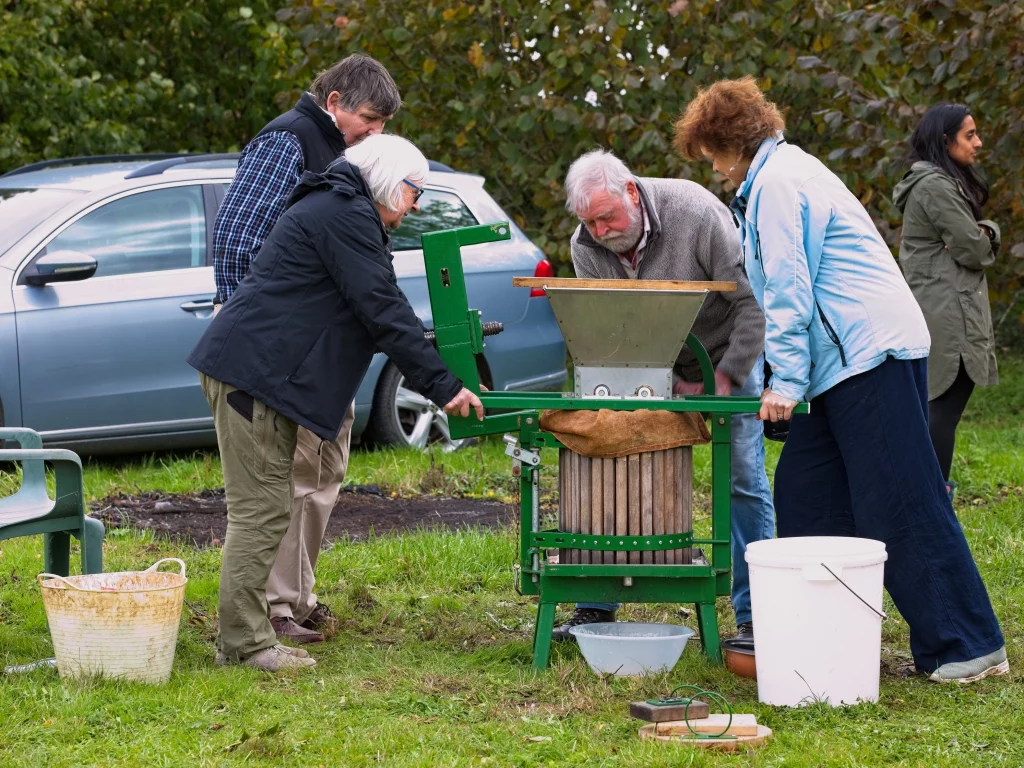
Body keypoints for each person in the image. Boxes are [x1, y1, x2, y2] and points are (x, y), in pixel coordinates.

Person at [673, 76, 1007, 683]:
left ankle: (967, 645)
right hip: (838, 361)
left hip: (867, 353)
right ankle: (820, 639)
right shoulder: (779, 175)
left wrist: (784, 385)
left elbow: (792, 294)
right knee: (807, 498)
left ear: (732, 141)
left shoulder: (777, 185)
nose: (712, 168)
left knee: (898, 501)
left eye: (711, 153)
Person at [189, 134, 484, 671]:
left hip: (261, 375)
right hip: (252, 377)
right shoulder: (343, 213)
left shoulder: (339, 207)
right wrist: (443, 386)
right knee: (260, 512)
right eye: (415, 192)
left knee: (268, 508)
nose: (416, 205)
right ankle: (244, 643)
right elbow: (381, 306)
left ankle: (246, 634)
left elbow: (373, 305)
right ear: (392, 184)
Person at [212, 54, 400, 645]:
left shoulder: (346, 155)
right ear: (335, 100)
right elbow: (239, 242)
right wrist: (279, 333)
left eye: (382, 126)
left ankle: (296, 593)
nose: (375, 134)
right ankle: (269, 607)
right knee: (286, 476)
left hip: (319, 350)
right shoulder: (287, 140)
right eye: (368, 120)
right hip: (276, 351)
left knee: (324, 468)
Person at [552, 149, 769, 649]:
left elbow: (752, 303)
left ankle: (755, 618)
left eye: (607, 217)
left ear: (631, 191)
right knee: (610, 457)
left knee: (743, 479)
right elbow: (610, 328)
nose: (601, 232)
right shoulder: (586, 244)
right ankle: (595, 606)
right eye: (590, 221)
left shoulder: (696, 211)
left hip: (725, 351)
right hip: (649, 363)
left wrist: (726, 378)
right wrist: (656, 382)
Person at [893, 104, 1000, 502]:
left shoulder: (942, 183)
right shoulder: (935, 186)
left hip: (945, 310)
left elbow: (969, 243)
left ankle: (928, 499)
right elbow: (974, 250)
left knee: (937, 412)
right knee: (939, 412)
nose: (978, 142)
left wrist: (979, 231)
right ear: (944, 140)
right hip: (947, 317)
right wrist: (987, 231)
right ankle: (931, 501)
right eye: (969, 135)